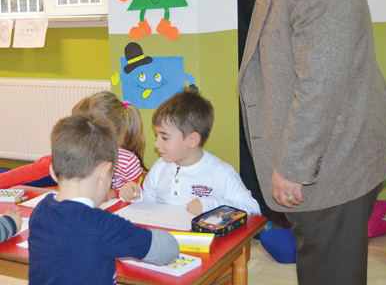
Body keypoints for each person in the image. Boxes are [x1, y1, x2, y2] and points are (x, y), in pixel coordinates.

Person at [201, 0, 386, 285]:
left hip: (334, 165)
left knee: (330, 274)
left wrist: (293, 167)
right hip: (325, 159)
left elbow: (319, 86)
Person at [28, 112, 179, 285]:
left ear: (53, 172)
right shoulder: (103, 225)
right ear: (105, 172)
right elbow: (168, 248)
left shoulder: (40, 211)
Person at [121, 87, 261, 216]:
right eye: (157, 136)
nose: (156, 144)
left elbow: (253, 209)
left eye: (164, 137)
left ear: (192, 140)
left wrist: (212, 204)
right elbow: (148, 204)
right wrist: (135, 196)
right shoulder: (160, 167)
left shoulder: (221, 173)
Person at [0, 91, 146, 201]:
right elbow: (19, 175)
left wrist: (121, 192)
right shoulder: (65, 159)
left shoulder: (128, 161)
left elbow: (138, 193)